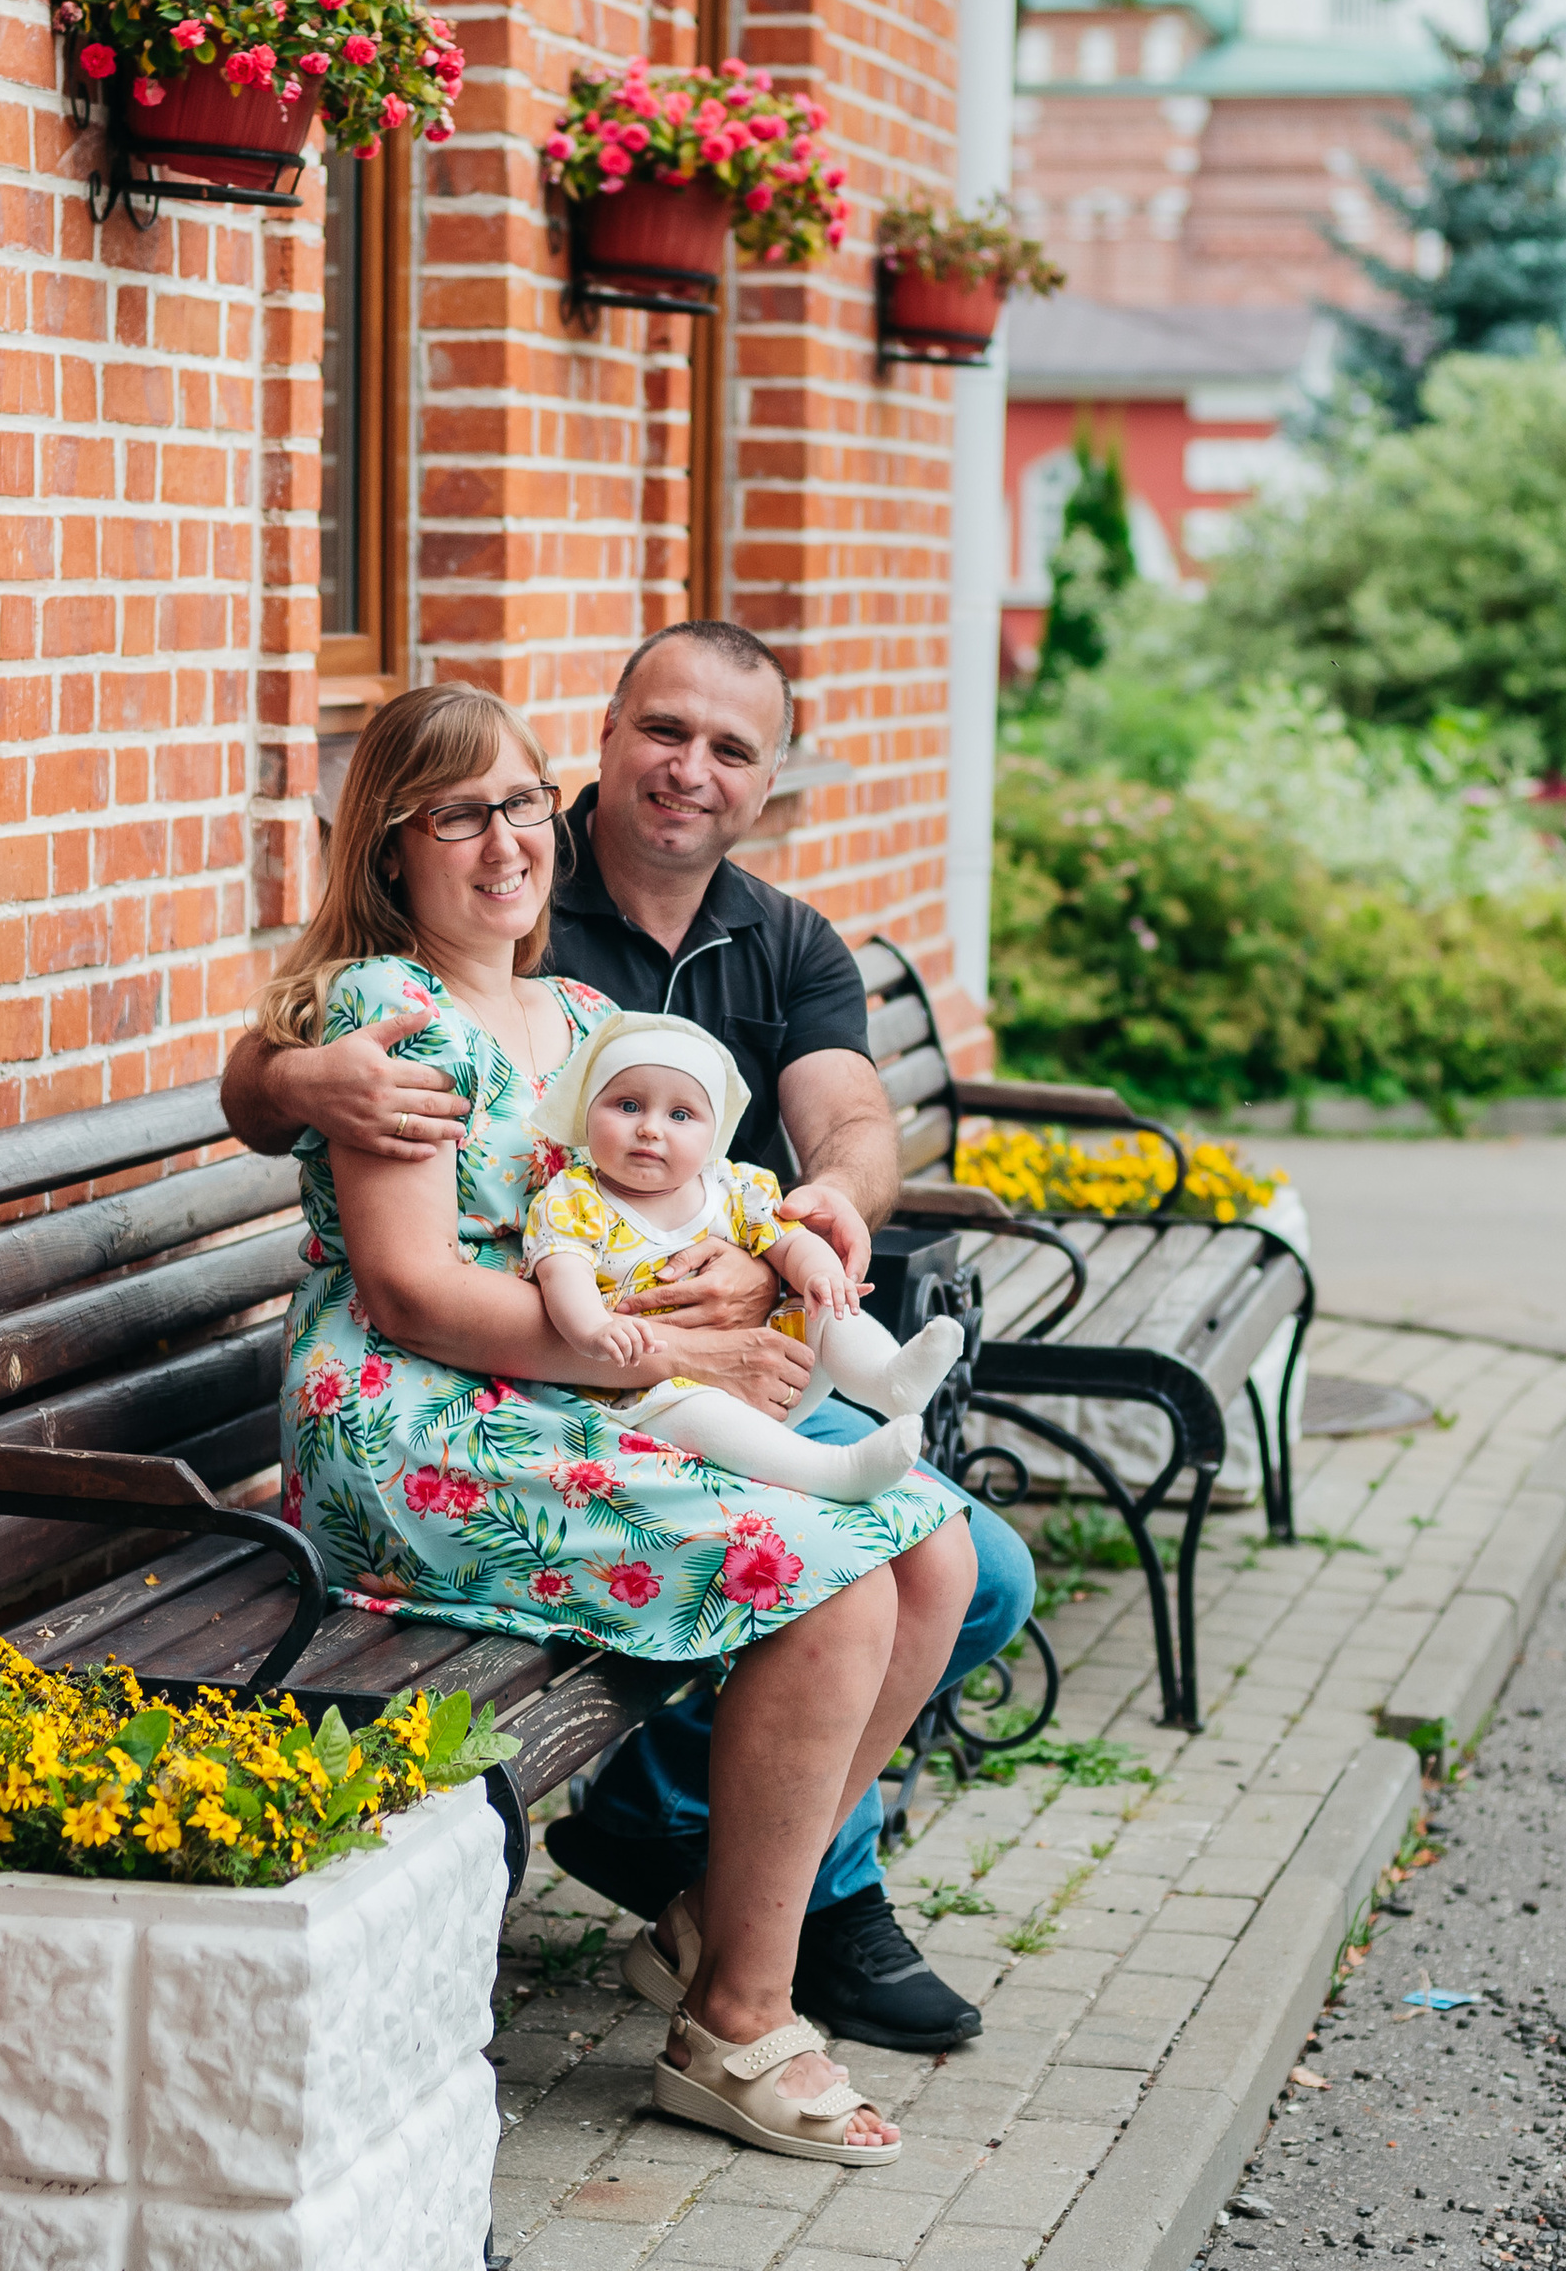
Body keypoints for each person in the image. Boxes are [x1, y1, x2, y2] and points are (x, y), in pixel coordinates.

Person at [223, 620, 1035, 2052]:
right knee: (851, 1577)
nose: (689, 771)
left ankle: (733, 1911)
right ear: (603, 746)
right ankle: (756, 1974)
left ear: (767, 780)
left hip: (629, 1358)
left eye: (731, 750)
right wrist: (293, 1072)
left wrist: (801, 1231)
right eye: (665, 734)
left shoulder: (699, 969)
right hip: (482, 1389)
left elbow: (835, 1124)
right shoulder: (407, 992)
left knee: (955, 1559)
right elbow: (374, 1220)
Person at [521, 1009, 965, 1497]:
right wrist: (596, 1329)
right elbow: (564, 1275)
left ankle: (888, 1379)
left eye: (680, 1115)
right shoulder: (574, 1200)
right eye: (627, 1106)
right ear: (588, 1111)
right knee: (696, 1409)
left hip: (767, 1366)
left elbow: (791, 1241)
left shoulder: (733, 1188)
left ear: (714, 1135)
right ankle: (833, 1472)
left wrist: (818, 1273)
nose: (650, 1128)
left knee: (824, 1304)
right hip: (651, 1389)